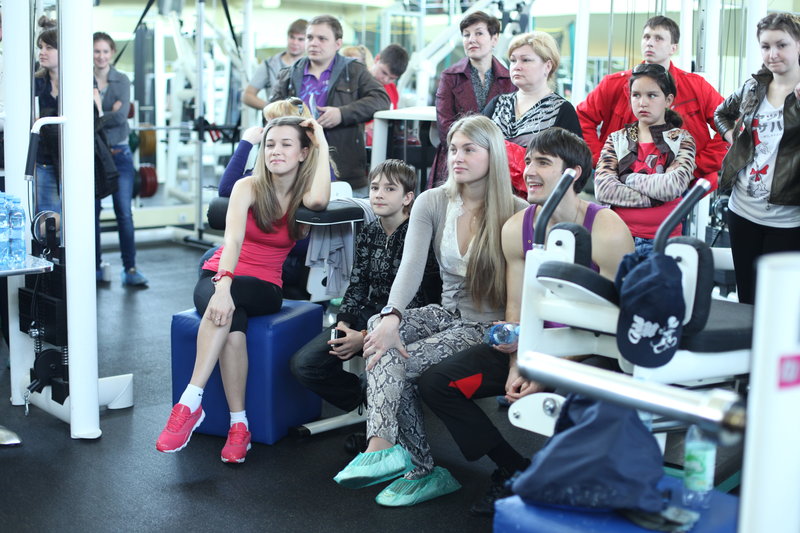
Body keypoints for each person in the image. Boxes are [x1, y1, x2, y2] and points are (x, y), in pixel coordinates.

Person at [418, 128, 633, 515]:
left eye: (543, 163)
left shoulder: (607, 229)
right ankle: (512, 468)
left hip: (594, 350)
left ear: (573, 173)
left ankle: (567, 483)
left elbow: (612, 322)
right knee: (438, 383)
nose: (529, 170)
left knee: (581, 403)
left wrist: (547, 372)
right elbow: (516, 307)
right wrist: (519, 363)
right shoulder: (517, 228)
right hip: (535, 347)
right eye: (529, 161)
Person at [333, 115, 528, 506]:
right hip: (447, 312)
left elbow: (520, 293)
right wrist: (392, 315)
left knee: (396, 361)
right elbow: (410, 266)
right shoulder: (433, 201)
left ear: (492, 154)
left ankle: (411, 462)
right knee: (379, 328)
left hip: (487, 325)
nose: (457, 157)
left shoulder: (517, 211)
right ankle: (386, 448)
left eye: (469, 149)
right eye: (453, 149)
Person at [156, 117, 331, 463]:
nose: (275, 151)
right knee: (232, 329)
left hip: (265, 287)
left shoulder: (304, 194)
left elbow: (321, 201)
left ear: (303, 152)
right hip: (219, 275)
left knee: (227, 306)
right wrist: (223, 286)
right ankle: (240, 427)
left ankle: (189, 403)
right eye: (270, 144)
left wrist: (322, 142)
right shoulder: (247, 187)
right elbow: (232, 240)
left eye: (286, 144)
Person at [290, 159, 440, 413]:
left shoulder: (419, 233)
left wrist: (361, 339)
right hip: (370, 314)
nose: (379, 194)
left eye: (390, 189)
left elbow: (416, 300)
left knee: (384, 367)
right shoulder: (370, 231)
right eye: (374, 188)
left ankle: (379, 397)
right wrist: (344, 324)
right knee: (304, 365)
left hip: (406, 322)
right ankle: (365, 395)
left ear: (407, 197)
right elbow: (358, 283)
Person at [577, 16, 726, 190]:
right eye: (646, 37)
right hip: (623, 183)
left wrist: (694, 165)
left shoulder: (696, 86)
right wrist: (603, 160)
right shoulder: (613, 84)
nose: (649, 43)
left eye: (658, 38)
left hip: (682, 185)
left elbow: (732, 126)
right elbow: (582, 119)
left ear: (673, 48)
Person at [714, 12, 800, 305]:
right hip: (742, 211)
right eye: (765, 46)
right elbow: (721, 113)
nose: (772, 54)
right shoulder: (754, 86)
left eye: (781, 45)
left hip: (788, 220)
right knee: (747, 300)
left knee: (779, 305)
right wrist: (734, 139)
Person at [270, 15, 391, 197]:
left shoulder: (354, 71)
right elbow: (271, 112)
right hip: (296, 172)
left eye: (322, 38)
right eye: (310, 37)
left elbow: (381, 99)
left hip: (344, 171)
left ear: (338, 43)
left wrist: (342, 114)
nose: (313, 43)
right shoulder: (289, 74)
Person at [594, 64, 696, 257]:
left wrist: (627, 178)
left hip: (664, 240)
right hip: (618, 237)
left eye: (652, 95)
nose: (642, 102)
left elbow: (672, 187)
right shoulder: (617, 139)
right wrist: (656, 196)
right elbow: (603, 189)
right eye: (636, 95)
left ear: (668, 100)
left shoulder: (681, 139)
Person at [428, 11, 516, 188]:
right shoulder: (450, 76)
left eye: (479, 33)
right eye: (466, 35)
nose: (471, 40)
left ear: (494, 39)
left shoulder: (510, 79)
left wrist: (487, 154)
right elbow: (445, 126)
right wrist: (471, 151)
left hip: (496, 161)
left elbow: (511, 127)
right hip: (457, 160)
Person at [92, 32, 148, 287]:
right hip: (94, 156)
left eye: (105, 51)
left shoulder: (122, 80)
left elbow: (121, 115)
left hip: (120, 154)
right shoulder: (82, 78)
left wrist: (97, 113)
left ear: (112, 53)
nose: (101, 56)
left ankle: (130, 268)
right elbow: (88, 116)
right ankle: (94, 267)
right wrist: (108, 112)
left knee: (124, 212)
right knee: (91, 213)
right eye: (96, 51)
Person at [483, 31, 582, 147]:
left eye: (525, 60)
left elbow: (574, 155)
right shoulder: (497, 104)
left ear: (547, 66)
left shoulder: (563, 111)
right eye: (513, 60)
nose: (516, 67)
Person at [242, 19, 307, 111]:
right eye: (292, 37)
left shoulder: (311, 66)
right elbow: (247, 96)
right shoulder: (269, 65)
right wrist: (272, 108)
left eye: (300, 39)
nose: (295, 42)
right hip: (275, 119)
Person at [33, 28, 61, 215]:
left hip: (73, 159)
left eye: (49, 47)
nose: (42, 52)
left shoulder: (80, 81)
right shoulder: (36, 83)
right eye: (41, 47)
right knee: (48, 216)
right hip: (45, 159)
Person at [365, 44, 410, 146]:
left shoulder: (392, 89)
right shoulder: (358, 83)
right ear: (377, 59)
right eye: (384, 73)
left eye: (392, 78)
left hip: (383, 145)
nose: (385, 80)